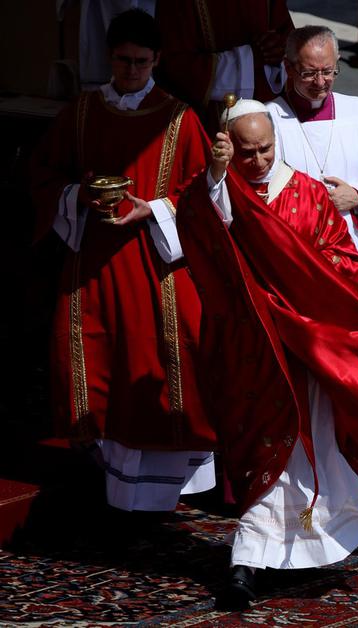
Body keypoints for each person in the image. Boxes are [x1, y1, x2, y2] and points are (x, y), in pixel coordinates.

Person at [174, 100, 358, 609]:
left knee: (304, 444)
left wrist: (305, 293)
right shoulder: (220, 188)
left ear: (277, 141)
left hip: (303, 347)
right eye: (245, 153)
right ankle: (258, 553)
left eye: (265, 149)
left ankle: (265, 559)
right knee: (258, 447)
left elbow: (341, 258)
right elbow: (202, 228)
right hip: (252, 349)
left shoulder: (309, 194)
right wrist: (215, 174)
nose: (257, 161)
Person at [30, 9, 216, 515]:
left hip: (155, 264)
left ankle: (163, 495)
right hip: (92, 261)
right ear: (108, 57)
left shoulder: (180, 118)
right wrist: (77, 197)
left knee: (151, 362)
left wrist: (150, 209)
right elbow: (43, 175)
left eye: (140, 61)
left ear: (157, 60)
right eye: (121, 60)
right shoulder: (83, 111)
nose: (130, 70)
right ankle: (110, 489)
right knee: (99, 361)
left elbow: (200, 197)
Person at [266, 25, 358, 303]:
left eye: (328, 71)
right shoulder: (269, 119)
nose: (320, 82)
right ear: (288, 68)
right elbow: (260, 188)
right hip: (299, 251)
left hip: (354, 246)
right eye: (309, 73)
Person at [154, 0, 294, 131]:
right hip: (209, 117)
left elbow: (285, 31)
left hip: (267, 103)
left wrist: (279, 48)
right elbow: (175, 63)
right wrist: (250, 57)